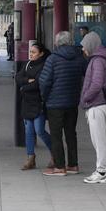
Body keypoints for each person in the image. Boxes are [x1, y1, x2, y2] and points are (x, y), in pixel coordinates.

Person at [39, 30, 86, 176]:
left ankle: (59, 167)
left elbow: (45, 81)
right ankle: (73, 165)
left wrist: (44, 97)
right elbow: (86, 76)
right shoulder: (80, 57)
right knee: (71, 133)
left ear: (57, 43)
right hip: (72, 101)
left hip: (55, 103)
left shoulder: (53, 59)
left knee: (56, 135)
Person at [79, 31, 106, 184]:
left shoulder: (97, 61)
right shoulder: (101, 60)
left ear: (91, 45)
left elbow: (96, 84)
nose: (83, 49)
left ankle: (101, 170)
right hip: (99, 105)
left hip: (96, 105)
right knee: (103, 138)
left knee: (98, 140)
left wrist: (85, 98)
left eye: (84, 46)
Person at [18, 41, 53, 170]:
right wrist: (27, 81)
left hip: (39, 102)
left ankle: (55, 153)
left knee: (39, 130)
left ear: (41, 54)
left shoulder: (44, 66)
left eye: (34, 52)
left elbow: (38, 84)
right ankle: (30, 157)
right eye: (30, 52)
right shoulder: (27, 64)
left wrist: (24, 87)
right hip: (27, 102)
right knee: (29, 131)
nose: (31, 54)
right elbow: (18, 78)